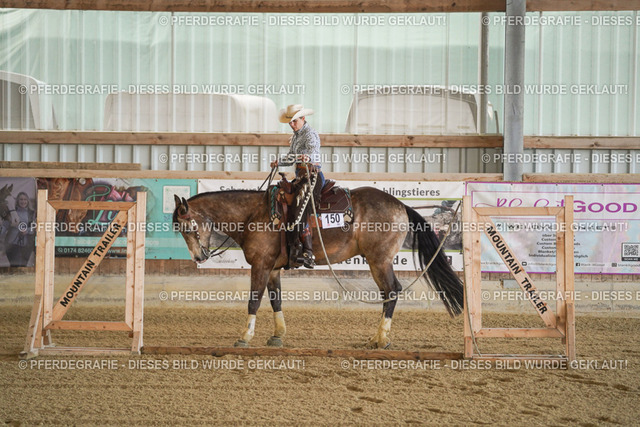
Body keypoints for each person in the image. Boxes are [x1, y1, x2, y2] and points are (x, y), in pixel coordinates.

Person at [270, 104, 325, 268]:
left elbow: (313, 151)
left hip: (312, 175)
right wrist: (279, 162)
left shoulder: (310, 133)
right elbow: (291, 157)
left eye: (294, 121)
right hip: (301, 176)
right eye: (290, 122)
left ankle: (308, 252)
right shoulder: (295, 137)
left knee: (300, 207)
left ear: (303, 118)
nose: (291, 124)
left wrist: (306, 157)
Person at [5, 192, 35, 267]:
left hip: (26, 246)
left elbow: (35, 228)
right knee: (15, 266)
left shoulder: (31, 213)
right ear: (17, 201)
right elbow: (5, 226)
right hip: (12, 245)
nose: (23, 201)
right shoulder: (11, 212)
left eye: (25, 199)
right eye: (21, 199)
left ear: (28, 201)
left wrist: (27, 231)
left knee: (23, 266)